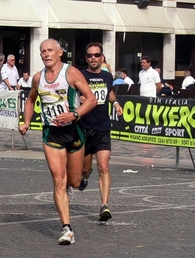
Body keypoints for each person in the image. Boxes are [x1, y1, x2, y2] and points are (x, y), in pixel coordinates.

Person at [18, 38, 97, 245]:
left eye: (50, 50)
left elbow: (91, 99)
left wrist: (75, 115)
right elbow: (31, 99)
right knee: (58, 180)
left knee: (74, 181)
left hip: (74, 131)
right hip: (51, 134)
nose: (46, 54)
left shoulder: (70, 73)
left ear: (60, 52)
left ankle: (82, 177)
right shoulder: (38, 78)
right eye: (42, 51)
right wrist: (26, 121)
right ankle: (67, 229)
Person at [78, 42, 123, 222]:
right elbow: (70, 94)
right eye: (90, 55)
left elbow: (109, 92)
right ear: (86, 58)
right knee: (86, 169)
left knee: (103, 166)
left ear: (102, 57)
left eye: (97, 55)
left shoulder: (107, 76)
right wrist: (79, 99)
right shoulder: (80, 75)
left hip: (103, 127)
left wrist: (116, 102)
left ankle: (104, 205)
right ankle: (83, 177)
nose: (93, 58)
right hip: (85, 127)